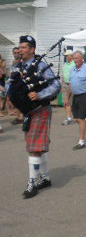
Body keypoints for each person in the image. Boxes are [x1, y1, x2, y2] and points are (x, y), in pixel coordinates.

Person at [6, 35, 61, 198]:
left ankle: (32, 182)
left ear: (32, 49)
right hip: (28, 112)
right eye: (19, 47)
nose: (20, 50)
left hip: (40, 108)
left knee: (33, 148)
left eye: (23, 47)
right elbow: (11, 85)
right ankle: (45, 178)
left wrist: (40, 94)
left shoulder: (40, 65)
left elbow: (56, 85)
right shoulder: (18, 67)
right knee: (37, 147)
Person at [66, 51, 86, 150]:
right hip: (75, 96)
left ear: (81, 59)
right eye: (74, 58)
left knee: (81, 118)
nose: (75, 60)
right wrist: (67, 98)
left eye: (76, 58)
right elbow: (70, 85)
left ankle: (81, 141)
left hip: (85, 96)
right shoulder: (72, 69)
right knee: (76, 119)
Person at [10, 47, 24, 123]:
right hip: (14, 83)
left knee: (21, 100)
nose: (16, 54)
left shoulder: (21, 61)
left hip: (21, 83)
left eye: (17, 52)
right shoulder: (14, 62)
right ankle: (18, 117)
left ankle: (20, 117)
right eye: (14, 53)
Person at [61, 50, 75, 125]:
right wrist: (62, 85)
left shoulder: (74, 64)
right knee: (65, 102)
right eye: (65, 56)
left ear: (71, 56)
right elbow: (63, 75)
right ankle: (68, 117)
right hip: (65, 84)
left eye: (67, 55)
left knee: (69, 102)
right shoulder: (65, 64)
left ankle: (70, 117)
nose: (66, 57)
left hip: (72, 84)